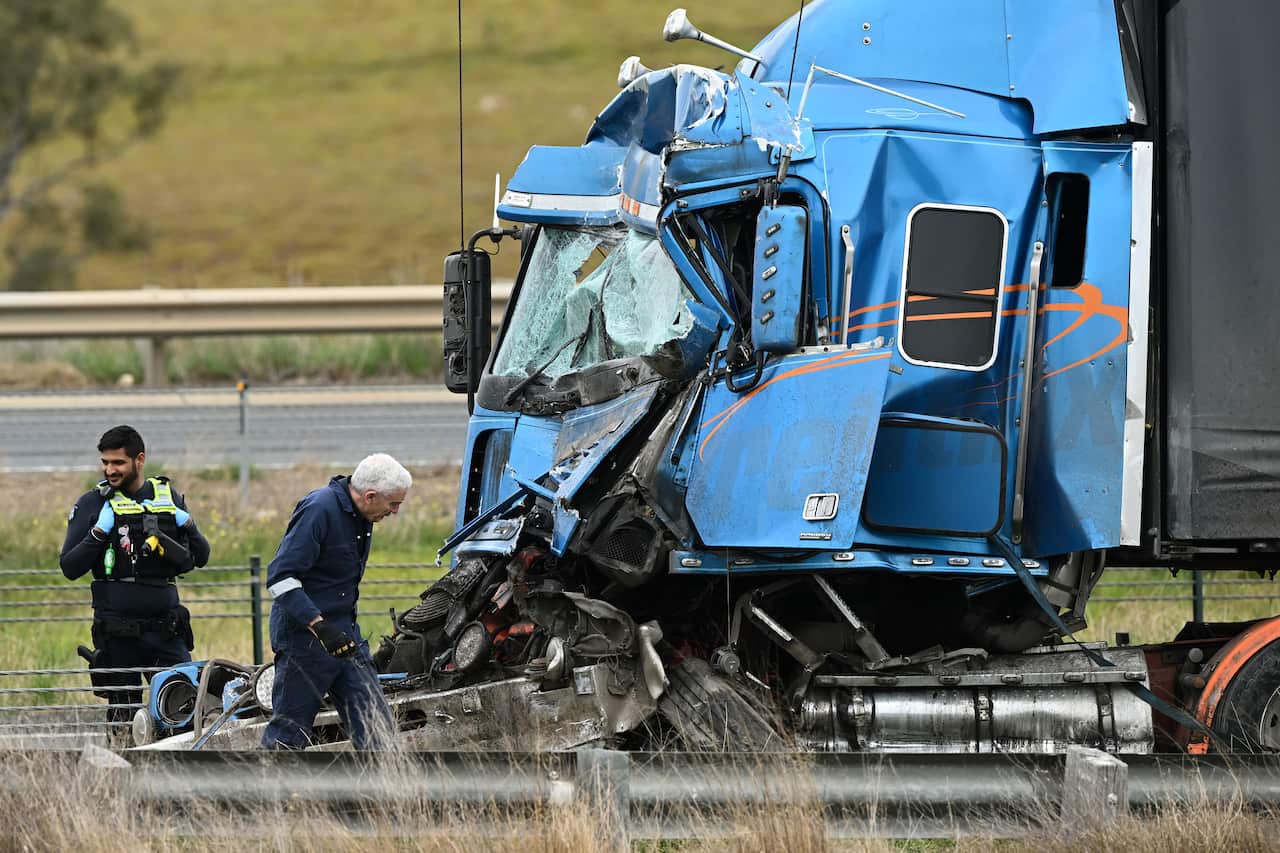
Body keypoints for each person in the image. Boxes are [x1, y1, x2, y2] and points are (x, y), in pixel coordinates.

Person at [60, 424, 210, 725]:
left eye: (118, 462)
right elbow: (70, 567)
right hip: (118, 633)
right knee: (125, 718)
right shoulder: (92, 504)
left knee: (182, 710)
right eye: (105, 462)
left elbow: (201, 557)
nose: (109, 470)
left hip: (166, 629)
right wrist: (99, 532)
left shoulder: (167, 498)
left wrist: (189, 524)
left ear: (139, 460)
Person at [261, 453, 411, 750]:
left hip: (346, 638)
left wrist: (337, 631)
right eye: (393, 504)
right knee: (288, 738)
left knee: (379, 732)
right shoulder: (319, 510)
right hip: (305, 642)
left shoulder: (362, 516)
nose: (395, 511)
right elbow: (280, 578)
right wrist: (319, 626)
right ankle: (264, 781)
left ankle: (390, 782)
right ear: (370, 496)